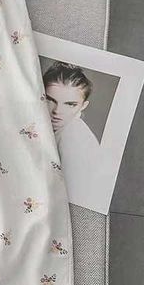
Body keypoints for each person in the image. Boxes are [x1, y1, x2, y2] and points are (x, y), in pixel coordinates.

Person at [43, 62, 110, 212]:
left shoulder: (73, 137)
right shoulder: (54, 128)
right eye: (50, 100)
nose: (57, 111)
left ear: (83, 106)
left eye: (70, 104)